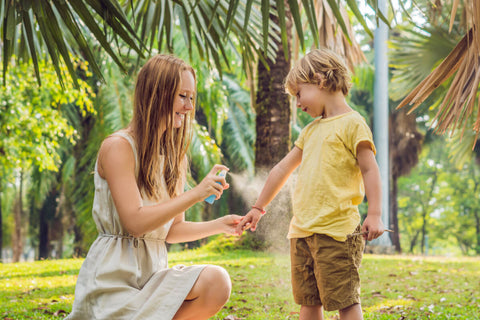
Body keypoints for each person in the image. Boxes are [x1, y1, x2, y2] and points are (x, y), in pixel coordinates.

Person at [67, 54, 241, 320]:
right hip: (111, 281)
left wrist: (220, 225)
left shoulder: (174, 157)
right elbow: (135, 222)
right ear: (156, 94)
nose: (189, 106)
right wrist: (196, 194)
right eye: (182, 96)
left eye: (192, 97)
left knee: (217, 281)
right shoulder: (119, 147)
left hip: (153, 279)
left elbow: (171, 231)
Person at [236, 48, 386, 320]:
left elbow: (369, 169)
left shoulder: (353, 124)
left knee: (346, 302)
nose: (297, 103)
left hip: (337, 232)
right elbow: (282, 168)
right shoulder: (310, 131)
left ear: (320, 80)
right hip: (302, 232)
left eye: (298, 93)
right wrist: (258, 206)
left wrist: (374, 214)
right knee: (309, 302)